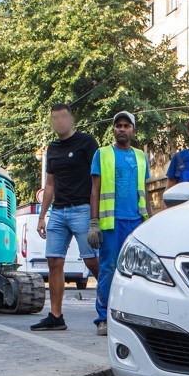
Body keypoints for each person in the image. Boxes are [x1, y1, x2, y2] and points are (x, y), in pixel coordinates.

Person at [31, 103, 100, 331]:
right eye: (55, 118)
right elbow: (50, 184)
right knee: (53, 261)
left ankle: (111, 307)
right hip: (58, 212)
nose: (59, 121)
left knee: (92, 261)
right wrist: (42, 216)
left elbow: (97, 180)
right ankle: (56, 316)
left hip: (82, 209)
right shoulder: (52, 148)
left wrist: (95, 216)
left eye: (63, 117)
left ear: (71, 119)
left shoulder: (86, 142)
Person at [89, 110, 152, 336]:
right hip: (112, 224)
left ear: (133, 130)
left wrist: (150, 222)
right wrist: (94, 222)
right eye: (119, 126)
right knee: (108, 269)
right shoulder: (102, 154)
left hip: (136, 222)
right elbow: (95, 190)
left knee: (138, 272)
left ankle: (134, 318)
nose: (122, 129)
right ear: (114, 129)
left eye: (127, 126)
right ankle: (103, 319)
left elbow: (145, 191)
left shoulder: (140, 156)